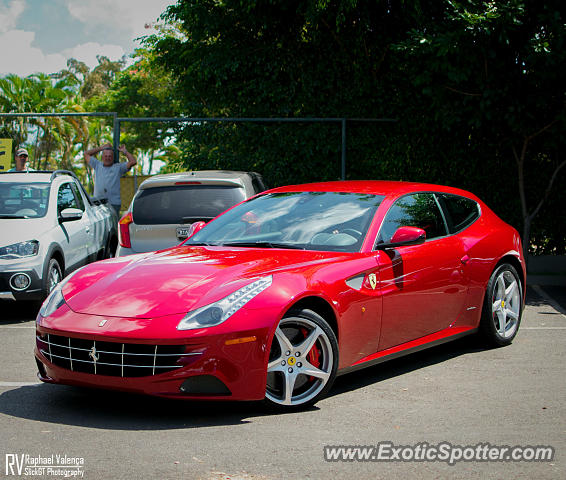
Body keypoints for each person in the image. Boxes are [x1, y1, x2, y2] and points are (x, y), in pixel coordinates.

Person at [84, 143, 137, 215]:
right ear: (102, 157)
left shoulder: (119, 167)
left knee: (113, 225)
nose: (107, 158)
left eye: (110, 156)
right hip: (99, 204)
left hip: (114, 204)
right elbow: (86, 154)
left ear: (113, 157)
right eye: (106, 156)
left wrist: (124, 151)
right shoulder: (97, 165)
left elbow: (133, 162)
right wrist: (100, 148)